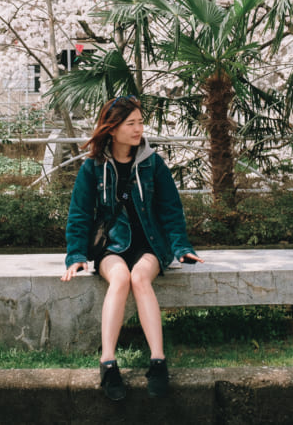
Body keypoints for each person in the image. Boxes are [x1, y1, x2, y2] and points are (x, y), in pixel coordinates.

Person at [61, 95, 203, 400]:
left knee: (139, 278)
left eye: (140, 122)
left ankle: (158, 361)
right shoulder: (92, 168)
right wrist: (76, 255)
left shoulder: (153, 163)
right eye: (131, 123)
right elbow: (80, 215)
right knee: (121, 278)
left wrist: (181, 247)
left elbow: (170, 210)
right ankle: (108, 362)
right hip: (110, 245)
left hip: (149, 243)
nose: (139, 129)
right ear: (112, 129)